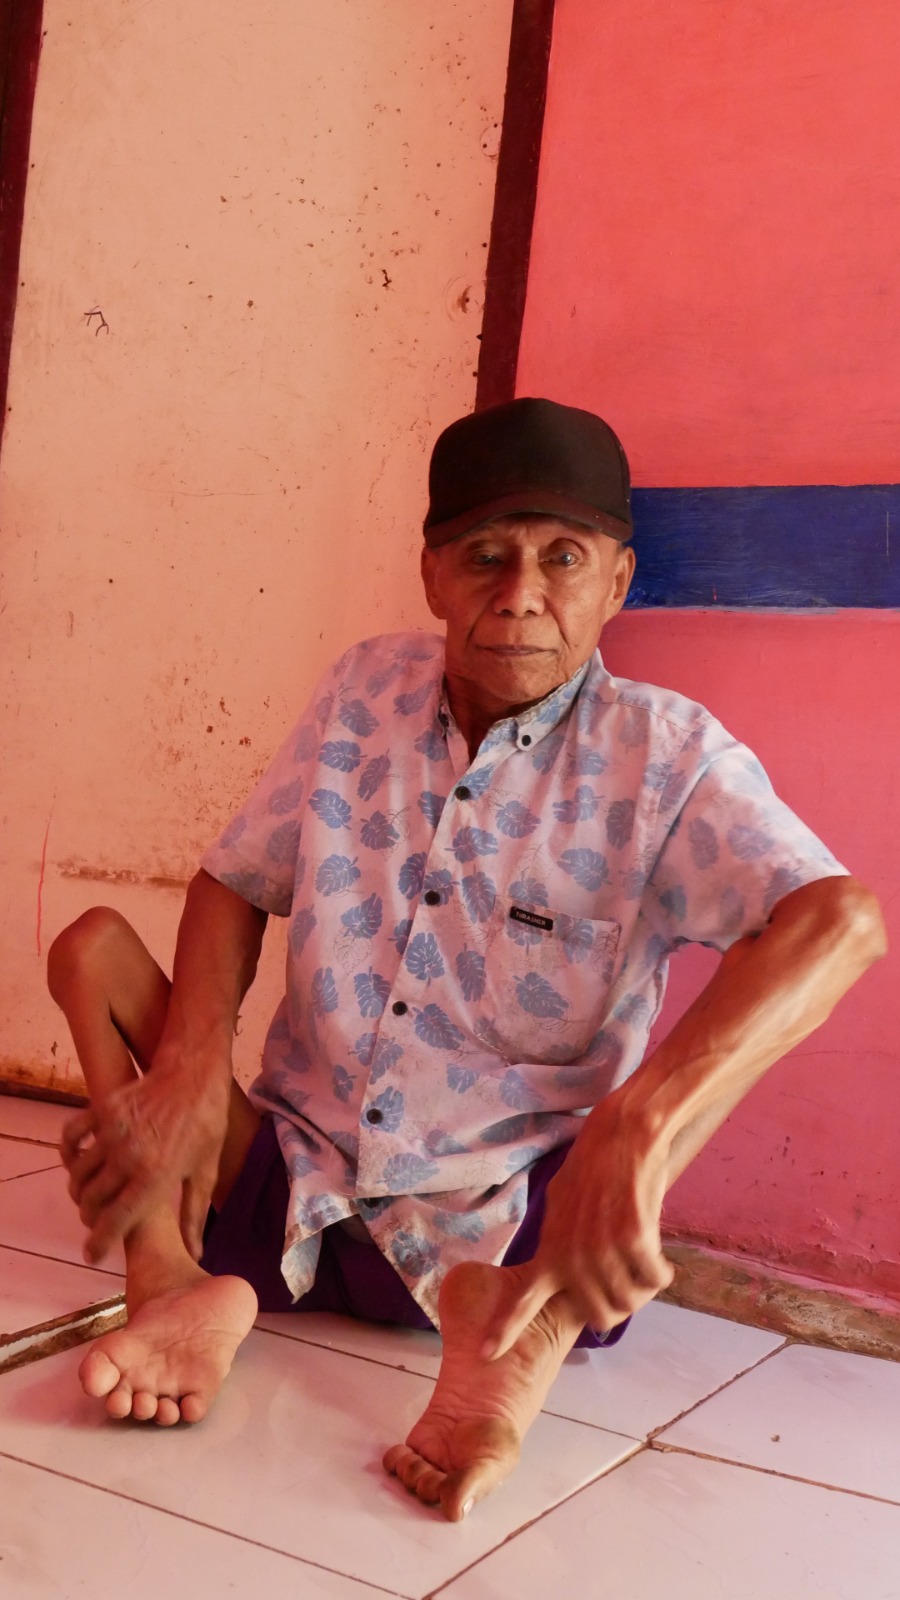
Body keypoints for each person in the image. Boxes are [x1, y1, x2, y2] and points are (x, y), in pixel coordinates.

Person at [48, 397, 885, 1522]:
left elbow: (842, 922)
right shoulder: (363, 692)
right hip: (283, 1192)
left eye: (563, 558)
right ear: (433, 574)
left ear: (618, 583)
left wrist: (636, 1126)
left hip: (510, 1243)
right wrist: (195, 1069)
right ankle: (173, 1276)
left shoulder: (665, 756)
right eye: (486, 555)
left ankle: (514, 1345)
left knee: (696, 1072)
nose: (521, 593)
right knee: (92, 951)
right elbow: (236, 881)